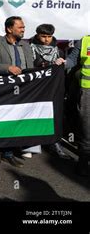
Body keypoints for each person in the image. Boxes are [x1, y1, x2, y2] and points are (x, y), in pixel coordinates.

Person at [0, 16, 34, 168]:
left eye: (23, 27)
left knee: (15, 121)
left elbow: (30, 67)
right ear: (9, 29)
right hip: (3, 90)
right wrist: (7, 68)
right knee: (0, 120)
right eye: (20, 27)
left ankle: (8, 152)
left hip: (22, 90)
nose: (23, 30)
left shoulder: (26, 45)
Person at [29, 24, 70, 160]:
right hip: (36, 87)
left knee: (54, 114)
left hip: (53, 88)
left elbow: (65, 69)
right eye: (43, 36)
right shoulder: (30, 47)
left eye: (49, 36)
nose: (46, 39)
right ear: (37, 35)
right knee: (34, 113)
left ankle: (54, 142)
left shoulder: (58, 50)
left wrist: (62, 63)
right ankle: (32, 143)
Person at [66, 36, 90, 176]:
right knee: (87, 128)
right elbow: (72, 60)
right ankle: (83, 162)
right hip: (87, 91)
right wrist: (63, 62)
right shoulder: (85, 40)